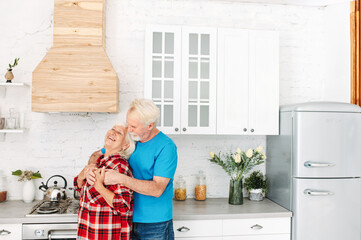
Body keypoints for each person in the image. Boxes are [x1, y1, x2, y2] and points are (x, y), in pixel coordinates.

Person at [87, 98, 178, 240]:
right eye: (128, 124)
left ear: (150, 125)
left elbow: (157, 189)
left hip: (154, 223)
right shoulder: (132, 139)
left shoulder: (166, 147)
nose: (128, 130)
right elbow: (98, 154)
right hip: (126, 219)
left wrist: (121, 178)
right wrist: (91, 167)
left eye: (133, 127)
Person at [74, 122, 135, 240]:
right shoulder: (100, 162)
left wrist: (99, 187)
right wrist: (82, 176)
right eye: (113, 129)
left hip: (108, 235)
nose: (113, 132)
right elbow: (79, 189)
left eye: (119, 133)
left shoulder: (120, 166)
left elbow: (123, 205)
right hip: (89, 233)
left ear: (125, 145)